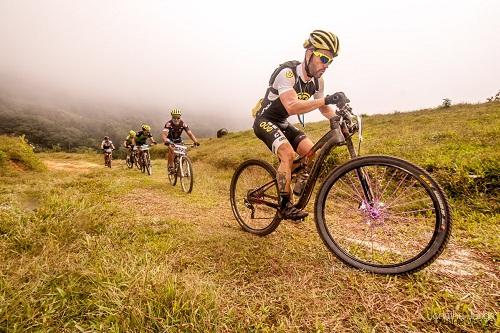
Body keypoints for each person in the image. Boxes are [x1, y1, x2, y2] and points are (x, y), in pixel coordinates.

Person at [252, 29, 350, 221]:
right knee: (287, 154)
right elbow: (292, 105)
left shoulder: (318, 81)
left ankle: (293, 174)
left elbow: (324, 109)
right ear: (309, 53)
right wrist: (327, 100)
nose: (326, 65)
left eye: (330, 61)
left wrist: (339, 118)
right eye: (323, 58)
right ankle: (285, 205)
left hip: (282, 122)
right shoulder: (287, 74)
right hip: (265, 121)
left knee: (311, 151)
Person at [161, 108, 200, 174]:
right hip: (170, 140)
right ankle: (171, 166)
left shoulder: (183, 124)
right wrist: (165, 141)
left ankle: (180, 167)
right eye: (174, 117)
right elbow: (164, 134)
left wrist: (195, 141)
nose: (176, 119)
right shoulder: (168, 124)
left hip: (178, 140)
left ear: (180, 117)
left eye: (178, 118)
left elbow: (190, 133)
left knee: (183, 153)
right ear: (172, 117)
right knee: (172, 150)